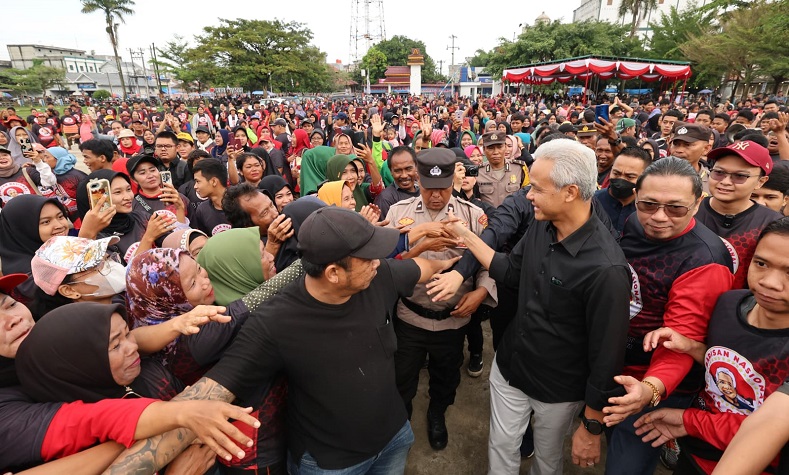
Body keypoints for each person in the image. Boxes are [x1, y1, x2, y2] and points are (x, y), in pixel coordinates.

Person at [102, 206, 460, 475]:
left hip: (394, 438)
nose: (380, 263)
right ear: (334, 273)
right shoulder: (272, 323)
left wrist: (457, 267)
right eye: (369, 258)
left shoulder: (376, 277)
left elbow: (421, 269)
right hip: (330, 464)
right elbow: (202, 399)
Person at [439, 139, 631, 474]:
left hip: (556, 389)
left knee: (547, 458)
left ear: (570, 192)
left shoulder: (607, 270)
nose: (528, 196)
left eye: (537, 189)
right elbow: (511, 270)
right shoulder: (543, 225)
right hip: (510, 367)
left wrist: (592, 424)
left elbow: (607, 355)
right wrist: (465, 236)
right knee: (501, 446)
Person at [602, 157, 735, 475]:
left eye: (675, 208)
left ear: (698, 202)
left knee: (627, 463)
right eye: (648, 204)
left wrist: (650, 389)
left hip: (659, 378)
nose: (658, 217)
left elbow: (681, 338)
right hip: (616, 360)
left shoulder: (705, 259)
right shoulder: (634, 222)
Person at [634, 218, 789, 474]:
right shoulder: (729, 303)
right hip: (695, 453)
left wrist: (690, 420)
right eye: (761, 264)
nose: (770, 282)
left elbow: (771, 425)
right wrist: (692, 347)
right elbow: (738, 365)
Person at [385, 148, 496, 451]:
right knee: (403, 375)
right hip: (410, 316)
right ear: (418, 181)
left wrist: (481, 292)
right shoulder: (398, 213)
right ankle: (400, 419)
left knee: (446, 375)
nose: (435, 196)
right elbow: (387, 264)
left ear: (453, 182)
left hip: (453, 319)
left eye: (443, 189)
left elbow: (488, 263)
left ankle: (437, 413)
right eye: (428, 189)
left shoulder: (473, 215)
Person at [694, 141, 782, 288]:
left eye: (739, 176)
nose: (725, 182)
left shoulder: (773, 225)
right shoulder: (688, 210)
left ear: (760, 182)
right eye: (719, 172)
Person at [28, 235, 126, 318]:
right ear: (69, 290)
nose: (112, 266)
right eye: (96, 266)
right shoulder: (82, 332)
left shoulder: (121, 306)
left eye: (108, 258)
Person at [75, 169, 159, 265]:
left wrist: (179, 207)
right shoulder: (95, 238)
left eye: (128, 189)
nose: (128, 197)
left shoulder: (141, 217)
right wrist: (148, 238)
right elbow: (125, 276)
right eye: (118, 192)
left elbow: (171, 240)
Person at [197, 227, 277, 306]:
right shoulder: (249, 315)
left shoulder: (269, 296)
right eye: (262, 255)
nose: (271, 257)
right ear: (236, 271)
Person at [0, 195, 69, 276]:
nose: (59, 225)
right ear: (23, 230)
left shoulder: (66, 250)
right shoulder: (28, 276)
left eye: (60, 216)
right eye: (46, 222)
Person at [593, 147, 652, 233]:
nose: (621, 180)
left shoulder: (650, 209)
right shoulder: (592, 202)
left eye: (630, 176)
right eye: (616, 173)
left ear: (645, 178)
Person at [127, 154, 189, 226]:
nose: (150, 175)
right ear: (133, 179)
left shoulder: (179, 198)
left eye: (153, 170)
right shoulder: (132, 205)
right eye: (142, 173)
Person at [475, 132, 529, 208]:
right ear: (484, 150)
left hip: (514, 218)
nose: (496, 152)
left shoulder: (519, 169)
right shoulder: (478, 172)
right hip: (488, 218)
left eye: (499, 147)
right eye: (490, 148)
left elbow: (527, 197)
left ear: (505, 147)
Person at [39, 146, 87, 219]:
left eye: (47, 157)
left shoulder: (77, 176)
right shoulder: (52, 175)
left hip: (82, 218)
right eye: (44, 157)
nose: (44, 160)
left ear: (59, 159)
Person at [374, 146, 421, 219]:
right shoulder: (385, 199)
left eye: (408, 169)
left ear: (416, 167)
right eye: (398, 171)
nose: (404, 175)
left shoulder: (424, 191)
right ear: (391, 172)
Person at [669, 122, 713, 194]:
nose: (679, 150)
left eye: (687, 145)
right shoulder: (654, 174)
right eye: (676, 144)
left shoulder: (712, 181)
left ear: (706, 149)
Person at [190, 158, 230, 236]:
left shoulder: (242, 203)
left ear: (214, 181)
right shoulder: (202, 210)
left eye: (198, 181)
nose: (195, 186)